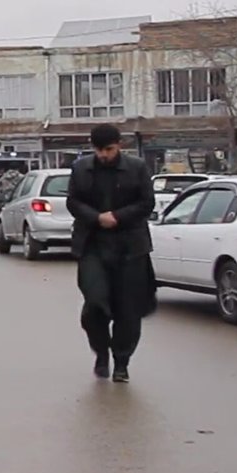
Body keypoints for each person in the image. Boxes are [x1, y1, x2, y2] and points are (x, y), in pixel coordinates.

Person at [66, 124, 157, 383]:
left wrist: (117, 217)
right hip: (92, 245)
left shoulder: (137, 168)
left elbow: (146, 203)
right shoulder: (81, 168)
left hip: (130, 247)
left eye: (108, 149)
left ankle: (121, 362)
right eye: (99, 150)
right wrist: (96, 218)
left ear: (119, 145)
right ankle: (101, 352)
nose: (104, 155)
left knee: (128, 311)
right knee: (95, 305)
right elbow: (73, 202)